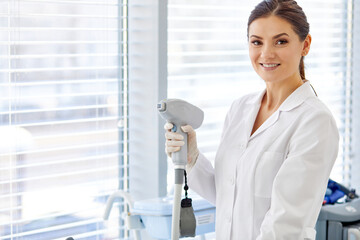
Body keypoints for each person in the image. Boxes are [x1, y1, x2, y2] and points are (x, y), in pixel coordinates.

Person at [164, 0, 339, 239]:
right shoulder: (240, 109)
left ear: (305, 45)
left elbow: (286, 225)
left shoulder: (314, 121)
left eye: (281, 41)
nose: (266, 53)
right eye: (257, 42)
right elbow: (229, 196)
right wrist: (192, 157)